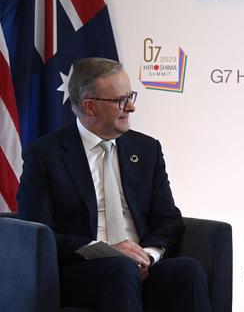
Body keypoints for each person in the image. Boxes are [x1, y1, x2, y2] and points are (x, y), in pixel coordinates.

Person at [17, 58, 210, 312]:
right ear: (90, 106)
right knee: (120, 269)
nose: (131, 107)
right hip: (82, 271)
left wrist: (147, 256)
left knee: (188, 269)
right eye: (121, 100)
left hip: (142, 266)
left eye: (131, 96)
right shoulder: (45, 155)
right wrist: (107, 251)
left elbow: (168, 219)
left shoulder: (147, 149)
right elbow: (38, 233)